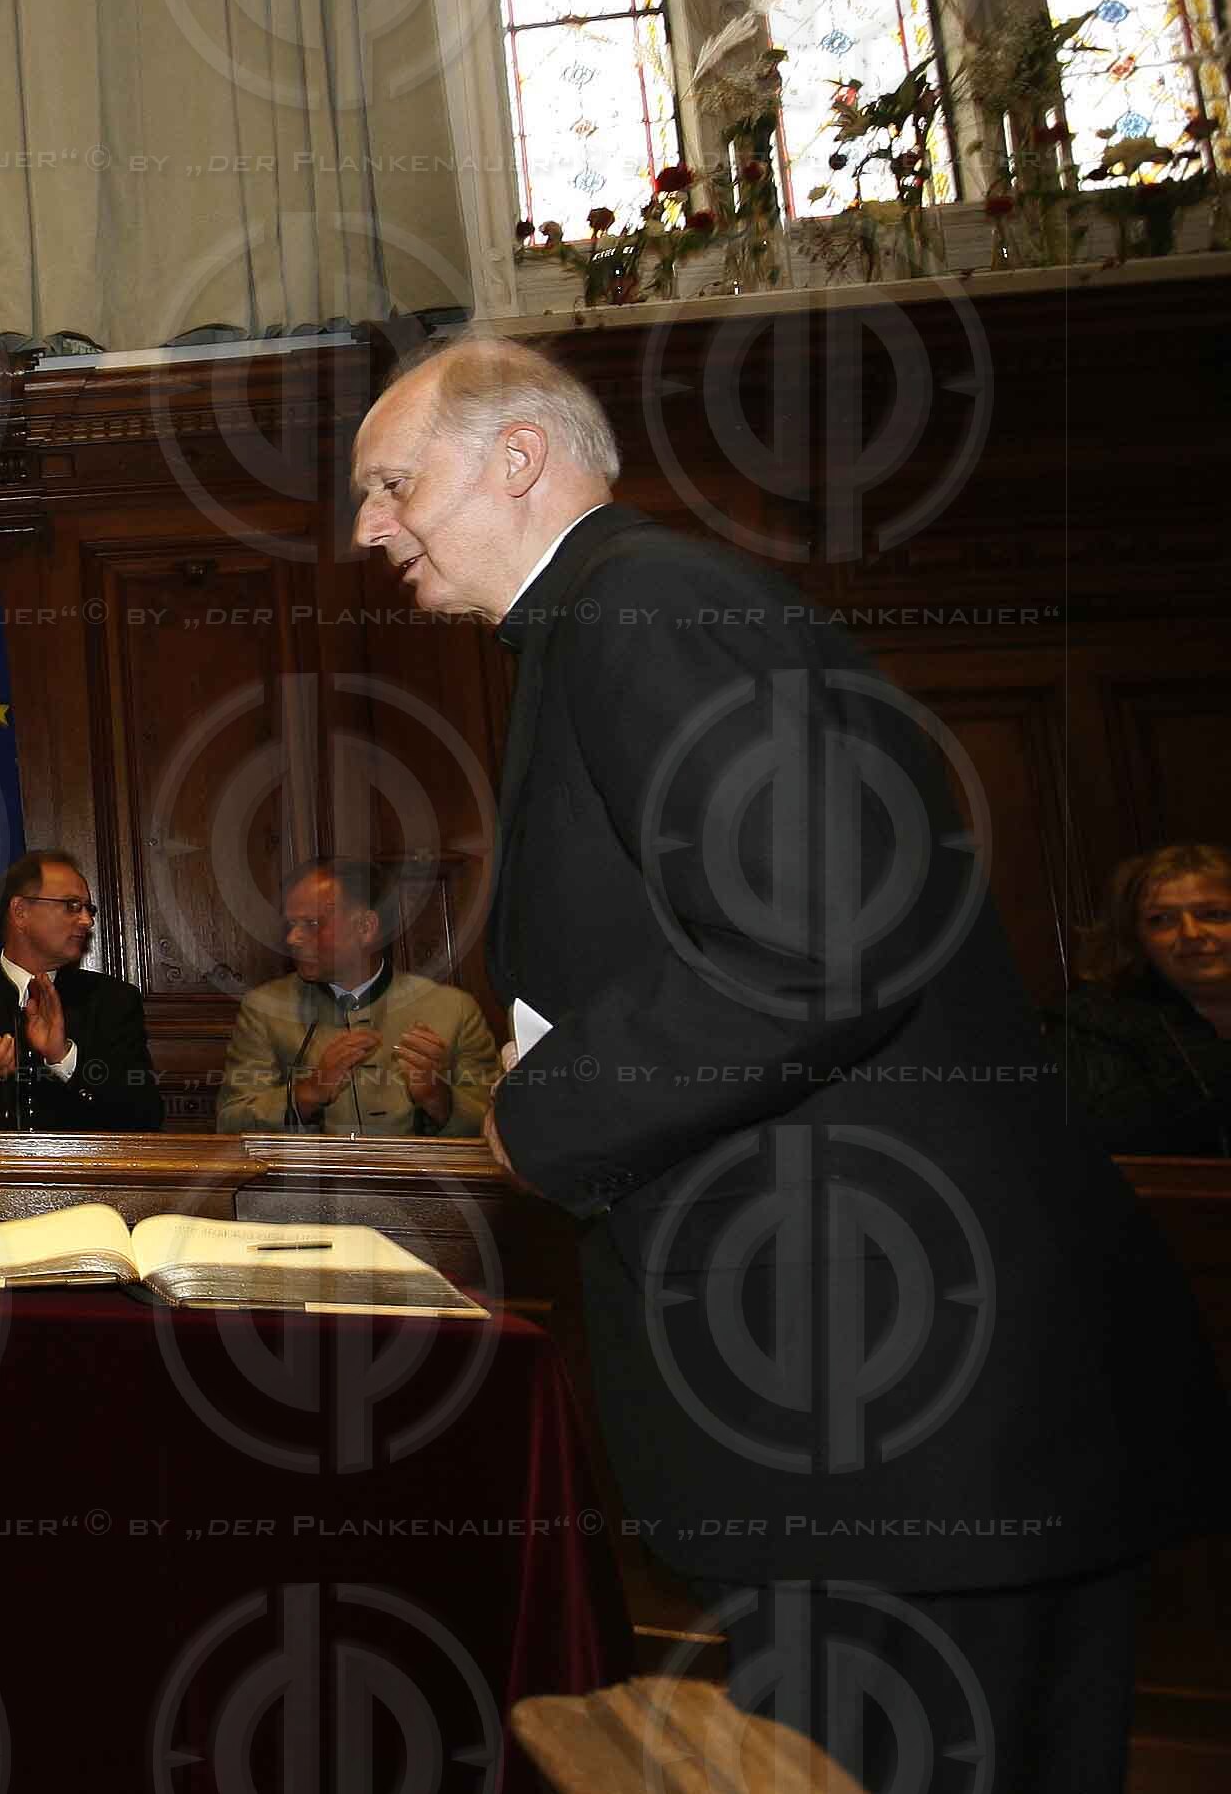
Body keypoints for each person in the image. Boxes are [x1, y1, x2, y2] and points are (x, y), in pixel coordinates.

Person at [352, 330, 1224, 1792]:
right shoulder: (615, 621)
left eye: (390, 482)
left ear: (515, 459)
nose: (369, 527)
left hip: (893, 1407)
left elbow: (821, 937)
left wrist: (539, 1115)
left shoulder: (646, 612)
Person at [215, 860, 498, 1136]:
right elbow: (230, 1122)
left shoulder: (454, 1010)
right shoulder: (265, 1009)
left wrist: (437, 1097)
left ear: (365, 927)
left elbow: (497, 1126)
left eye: (311, 924)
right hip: (310, 1183)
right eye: (292, 925)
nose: (294, 939)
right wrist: (308, 1092)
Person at [0, 849, 160, 1132]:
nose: (87, 921)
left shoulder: (114, 1001)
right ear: (20, 912)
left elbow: (145, 1118)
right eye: (72, 905)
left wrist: (64, 1059)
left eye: (89, 909)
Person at [1044, 841, 1231, 1154]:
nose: (1191, 933)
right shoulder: (1093, 1022)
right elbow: (1109, 1140)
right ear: (1135, 936)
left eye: (1213, 914)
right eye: (1161, 920)